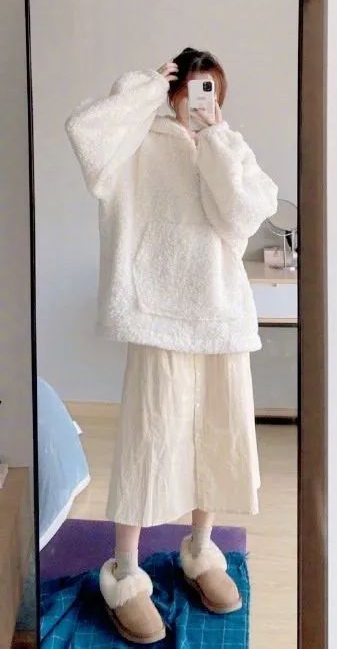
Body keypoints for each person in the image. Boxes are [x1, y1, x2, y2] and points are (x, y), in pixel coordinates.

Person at [65, 47, 278, 644]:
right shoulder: (136, 140)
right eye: (192, 87)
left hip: (221, 314)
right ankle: (125, 572)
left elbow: (243, 216)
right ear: (173, 89)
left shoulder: (228, 145)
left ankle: (202, 550)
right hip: (157, 312)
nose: (202, 100)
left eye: (213, 90)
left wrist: (218, 141)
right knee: (149, 439)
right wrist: (143, 89)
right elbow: (86, 135)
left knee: (219, 437)